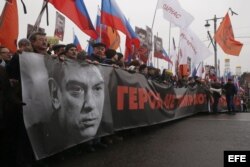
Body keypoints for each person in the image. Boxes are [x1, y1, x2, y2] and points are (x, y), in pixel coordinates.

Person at [28, 59, 105, 158]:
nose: (90, 105)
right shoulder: (36, 135)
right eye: (77, 89)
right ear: (55, 94)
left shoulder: (106, 125)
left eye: (97, 88)